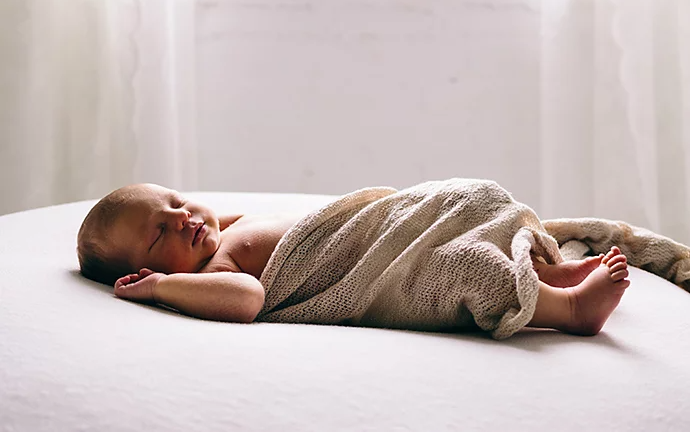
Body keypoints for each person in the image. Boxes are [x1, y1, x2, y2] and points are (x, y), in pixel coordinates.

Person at [77, 183, 630, 337]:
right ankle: (568, 307)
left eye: (175, 202)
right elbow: (250, 301)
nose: (183, 218)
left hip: (372, 235)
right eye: (160, 234)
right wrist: (160, 290)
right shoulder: (213, 274)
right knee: (462, 268)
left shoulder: (226, 226)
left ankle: (541, 269)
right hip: (375, 274)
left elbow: (318, 225)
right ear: (151, 270)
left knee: (470, 198)